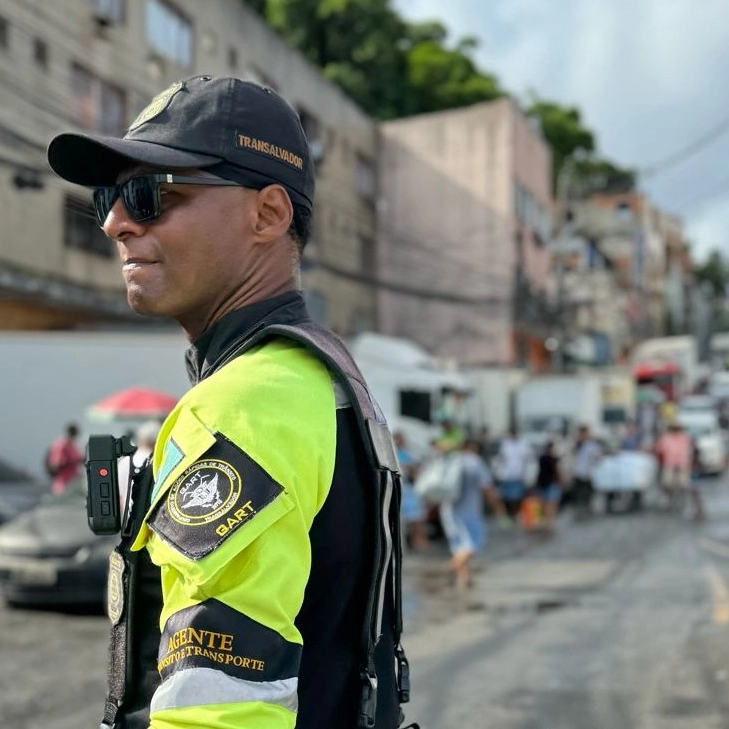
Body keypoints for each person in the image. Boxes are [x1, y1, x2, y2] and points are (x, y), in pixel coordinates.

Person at [48, 76, 413, 729]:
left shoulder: (241, 403)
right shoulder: (318, 377)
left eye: (151, 195)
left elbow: (219, 710)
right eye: (109, 196)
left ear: (268, 215)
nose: (113, 222)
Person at [439, 438, 503, 589]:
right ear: (471, 446)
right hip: (469, 511)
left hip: (448, 510)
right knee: (472, 545)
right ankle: (450, 566)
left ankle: (464, 579)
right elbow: (486, 487)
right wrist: (497, 506)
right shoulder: (475, 462)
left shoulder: (450, 459)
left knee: (458, 545)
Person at [654, 422, 706, 520]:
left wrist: (694, 462)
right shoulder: (665, 438)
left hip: (683, 464)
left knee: (686, 485)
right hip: (670, 463)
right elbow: (659, 451)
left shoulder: (686, 438)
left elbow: (694, 450)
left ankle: (690, 505)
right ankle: (668, 497)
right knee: (667, 482)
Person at [394, 431, 429, 551]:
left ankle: (418, 540)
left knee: (417, 517)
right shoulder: (393, 453)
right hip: (400, 488)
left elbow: (416, 468)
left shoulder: (407, 453)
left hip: (410, 488)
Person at [495, 427, 533, 519]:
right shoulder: (505, 444)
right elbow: (500, 458)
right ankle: (509, 513)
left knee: (517, 496)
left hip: (518, 474)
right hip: (506, 475)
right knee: (506, 496)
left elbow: (528, 457)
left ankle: (516, 513)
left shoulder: (523, 444)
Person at [572, 425, 602, 520]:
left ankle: (586, 510)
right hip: (578, 473)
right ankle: (580, 511)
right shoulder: (577, 444)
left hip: (587, 473)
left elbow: (597, 457)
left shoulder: (591, 444)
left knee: (588, 493)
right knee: (579, 494)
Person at [46, 422, 83, 495]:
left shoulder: (72, 445)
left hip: (72, 480)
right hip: (63, 482)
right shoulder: (61, 444)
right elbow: (57, 463)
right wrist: (73, 461)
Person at [534, 441, 563, 532]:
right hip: (551, 483)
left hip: (542, 483)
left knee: (543, 503)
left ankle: (544, 522)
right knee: (551, 504)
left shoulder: (541, 458)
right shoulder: (552, 459)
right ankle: (548, 522)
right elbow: (556, 471)